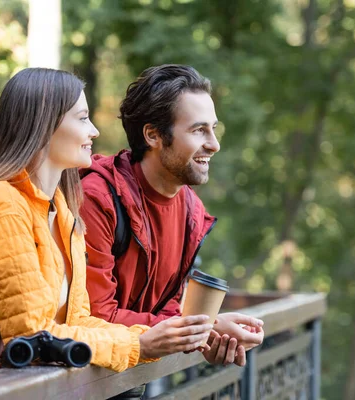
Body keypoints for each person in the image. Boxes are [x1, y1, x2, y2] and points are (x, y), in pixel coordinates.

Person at [0, 67, 215, 373]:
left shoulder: (63, 211)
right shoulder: (4, 202)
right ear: (43, 125)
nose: (94, 131)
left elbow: (78, 321)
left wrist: (152, 339)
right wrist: (139, 345)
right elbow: (29, 336)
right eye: (81, 118)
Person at [81, 64, 264, 366]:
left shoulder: (192, 210)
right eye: (198, 130)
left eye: (213, 129)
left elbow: (165, 311)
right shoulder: (97, 198)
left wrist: (207, 333)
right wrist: (206, 328)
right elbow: (95, 315)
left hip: (134, 376)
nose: (214, 144)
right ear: (153, 135)